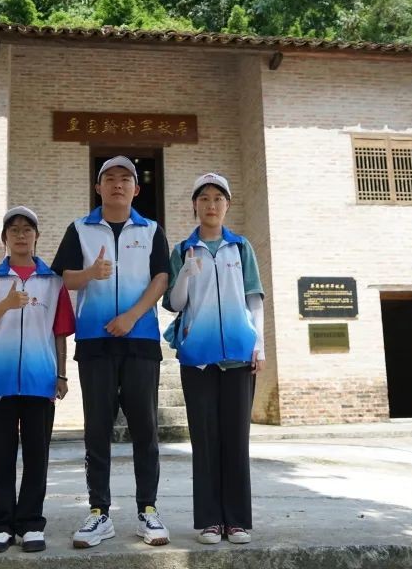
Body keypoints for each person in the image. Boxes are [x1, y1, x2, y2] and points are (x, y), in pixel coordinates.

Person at [50, 155, 171, 548]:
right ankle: (98, 512)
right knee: (97, 430)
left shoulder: (152, 230)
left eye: (125, 178)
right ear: (98, 187)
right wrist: (90, 274)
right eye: (110, 178)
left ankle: (148, 510)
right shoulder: (79, 229)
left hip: (140, 342)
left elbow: (161, 278)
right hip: (95, 343)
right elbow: (62, 277)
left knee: (145, 430)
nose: (118, 184)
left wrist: (132, 316)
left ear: (136, 188)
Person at [0, 206, 75, 554]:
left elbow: (60, 331)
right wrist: (7, 304)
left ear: (37, 236)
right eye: (14, 229)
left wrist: (61, 374)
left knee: (37, 456)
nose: (21, 235)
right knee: (2, 456)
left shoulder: (53, 281)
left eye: (27, 229)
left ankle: (30, 524)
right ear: (5, 238)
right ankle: (2, 525)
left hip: (39, 380)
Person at [163, 172, 265, 545]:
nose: (211, 205)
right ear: (195, 205)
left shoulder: (241, 247)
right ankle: (209, 521)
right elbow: (175, 304)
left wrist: (259, 346)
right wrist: (186, 275)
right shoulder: (183, 250)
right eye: (204, 198)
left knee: (236, 440)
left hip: (239, 355)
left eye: (218, 198)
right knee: (204, 440)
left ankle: (236, 521)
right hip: (198, 359)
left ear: (227, 205)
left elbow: (254, 299)